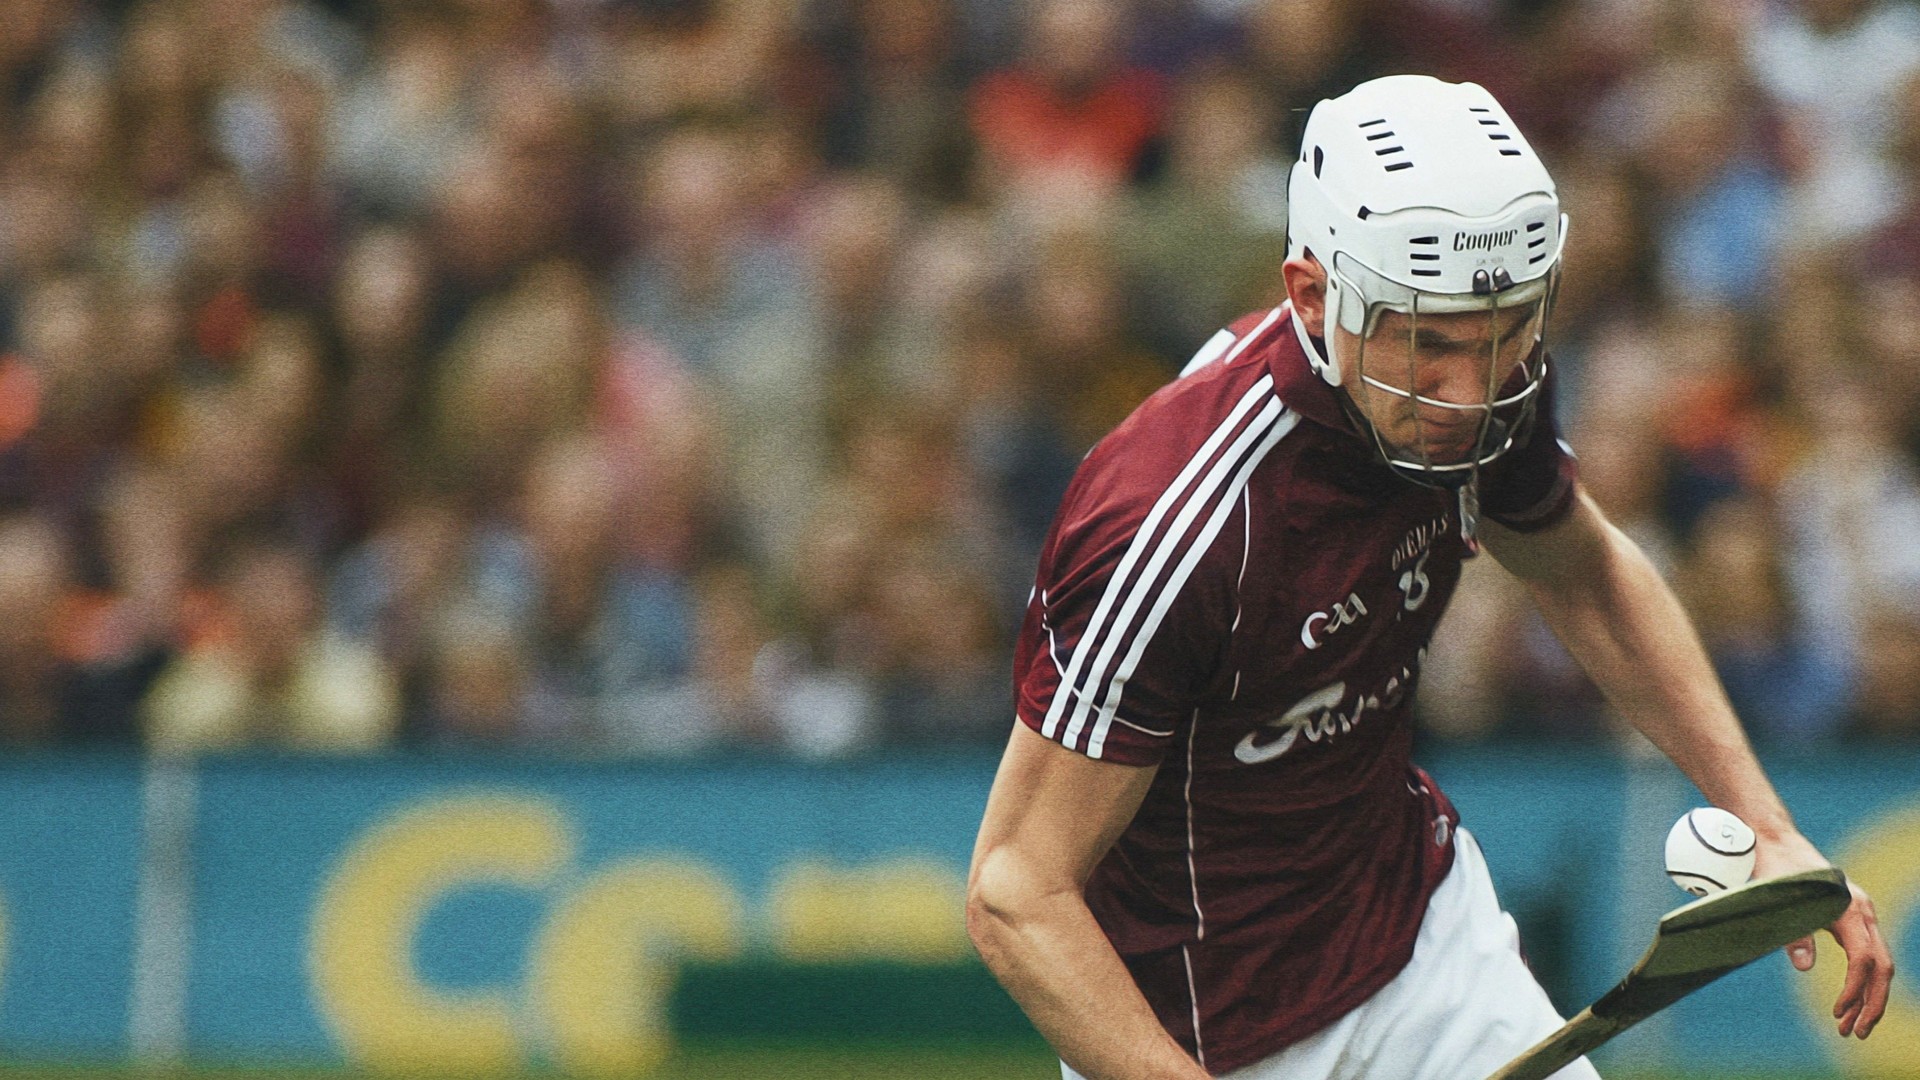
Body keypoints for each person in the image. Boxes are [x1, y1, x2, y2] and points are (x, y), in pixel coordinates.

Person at [965, 75, 1895, 1080]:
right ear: (1314, 297)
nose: (1470, 393)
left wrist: (1770, 828)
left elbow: (1586, 578)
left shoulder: (1483, 386)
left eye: (1506, 333)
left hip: (1425, 947)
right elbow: (1016, 890)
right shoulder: (1172, 524)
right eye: (1432, 344)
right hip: (1200, 1035)